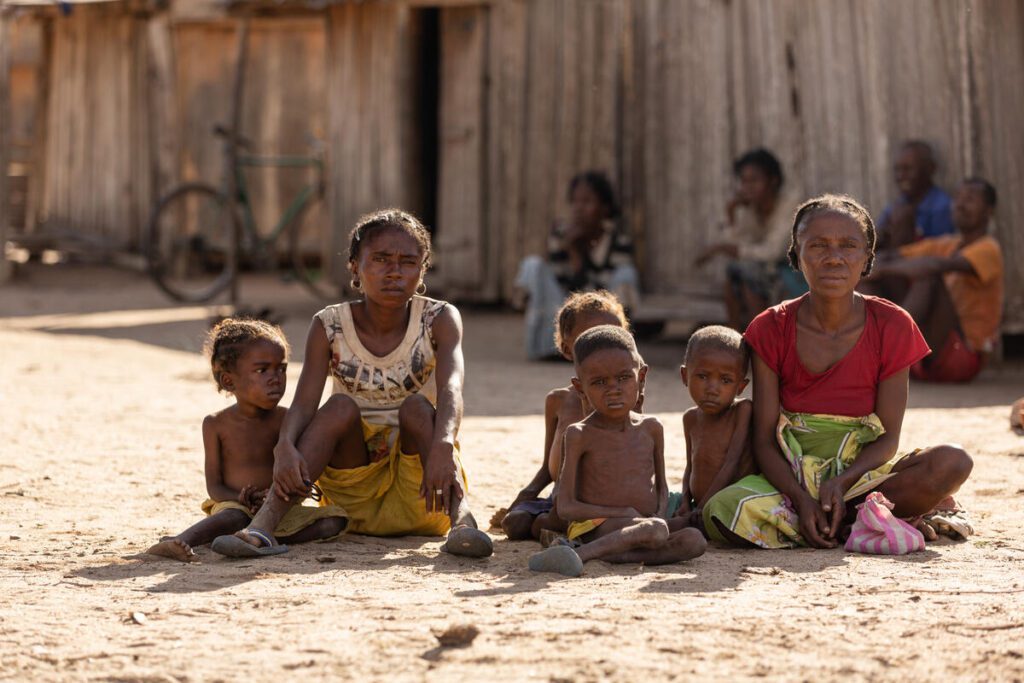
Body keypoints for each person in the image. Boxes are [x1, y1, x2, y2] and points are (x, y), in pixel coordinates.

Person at [211, 209, 493, 558]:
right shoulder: (330, 325)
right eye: (381, 259)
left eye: (408, 262)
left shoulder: (439, 318)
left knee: (417, 407)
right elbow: (305, 403)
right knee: (339, 407)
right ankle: (262, 529)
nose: (394, 271)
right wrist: (284, 446)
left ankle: (462, 523)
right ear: (355, 267)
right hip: (352, 497)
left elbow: (451, 386)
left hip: (425, 490)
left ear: (422, 270)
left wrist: (444, 445)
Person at [703, 194, 974, 549]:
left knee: (953, 462)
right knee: (721, 511)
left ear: (867, 258)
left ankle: (839, 517)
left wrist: (842, 481)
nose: (834, 257)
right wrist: (801, 499)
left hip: (862, 476)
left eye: (848, 245)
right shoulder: (770, 327)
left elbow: (888, 439)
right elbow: (765, 440)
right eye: (818, 245)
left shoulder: (893, 324)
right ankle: (859, 521)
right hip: (791, 476)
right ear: (796, 257)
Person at [147, 319, 347, 562]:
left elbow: (303, 468)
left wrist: (291, 492)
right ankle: (179, 541)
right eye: (262, 370)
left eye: (281, 369)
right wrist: (241, 498)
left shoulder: (288, 421)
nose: (276, 378)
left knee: (334, 521)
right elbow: (214, 487)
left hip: (281, 511)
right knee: (235, 517)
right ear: (229, 381)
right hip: (233, 506)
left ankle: (258, 536)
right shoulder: (215, 424)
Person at [527, 326, 706, 576]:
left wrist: (658, 514)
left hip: (644, 523)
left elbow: (662, 488)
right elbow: (565, 506)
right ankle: (580, 554)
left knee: (694, 540)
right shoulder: (579, 434)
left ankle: (603, 554)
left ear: (641, 376)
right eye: (599, 382)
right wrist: (622, 513)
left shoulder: (652, 428)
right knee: (655, 531)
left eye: (623, 378)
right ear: (580, 388)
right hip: (595, 526)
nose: (613, 389)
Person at [495, 290, 637, 541]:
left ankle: (559, 526)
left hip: (607, 498)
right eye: (591, 338)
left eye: (613, 336)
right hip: (560, 497)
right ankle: (555, 524)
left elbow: (632, 454)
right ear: (566, 348)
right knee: (515, 523)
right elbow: (549, 466)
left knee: (553, 521)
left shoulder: (624, 401)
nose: (604, 346)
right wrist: (527, 492)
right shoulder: (558, 401)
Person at [868, 178, 1003, 383]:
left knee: (928, 275)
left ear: (988, 211)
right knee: (875, 278)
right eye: (957, 198)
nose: (960, 204)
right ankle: (867, 350)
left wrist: (883, 269)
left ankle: (885, 350)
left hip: (964, 357)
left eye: (970, 199)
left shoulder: (989, 248)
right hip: (931, 355)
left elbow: (934, 266)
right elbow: (893, 256)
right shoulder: (947, 244)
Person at [515, 171, 639, 360]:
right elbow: (562, 293)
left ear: (604, 209)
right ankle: (553, 348)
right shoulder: (561, 236)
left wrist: (579, 257)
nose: (579, 209)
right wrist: (572, 249)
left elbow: (597, 297)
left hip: (599, 321)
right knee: (533, 265)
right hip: (563, 316)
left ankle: (612, 347)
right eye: (575, 202)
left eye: (587, 202)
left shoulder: (618, 243)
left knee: (626, 273)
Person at [695, 148, 802, 330]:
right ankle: (737, 333)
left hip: (794, 274)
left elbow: (774, 252)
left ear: (773, 181)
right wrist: (731, 213)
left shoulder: (790, 206)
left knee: (747, 274)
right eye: (744, 181)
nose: (747, 187)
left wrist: (724, 249)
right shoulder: (751, 209)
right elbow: (737, 243)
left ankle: (760, 335)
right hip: (767, 273)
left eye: (754, 181)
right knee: (735, 273)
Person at [673, 325, 755, 529]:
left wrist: (704, 506)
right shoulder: (690, 418)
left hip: (725, 507)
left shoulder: (742, 411)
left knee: (676, 527)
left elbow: (732, 462)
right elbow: (690, 466)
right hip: (697, 508)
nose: (712, 389)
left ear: (740, 386)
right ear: (685, 376)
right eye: (702, 376)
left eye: (726, 380)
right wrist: (685, 501)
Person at [876, 140, 955, 250]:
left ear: (929, 169)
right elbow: (874, 241)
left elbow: (939, 252)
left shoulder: (942, 207)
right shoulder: (897, 205)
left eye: (908, 169)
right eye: (897, 169)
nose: (900, 176)